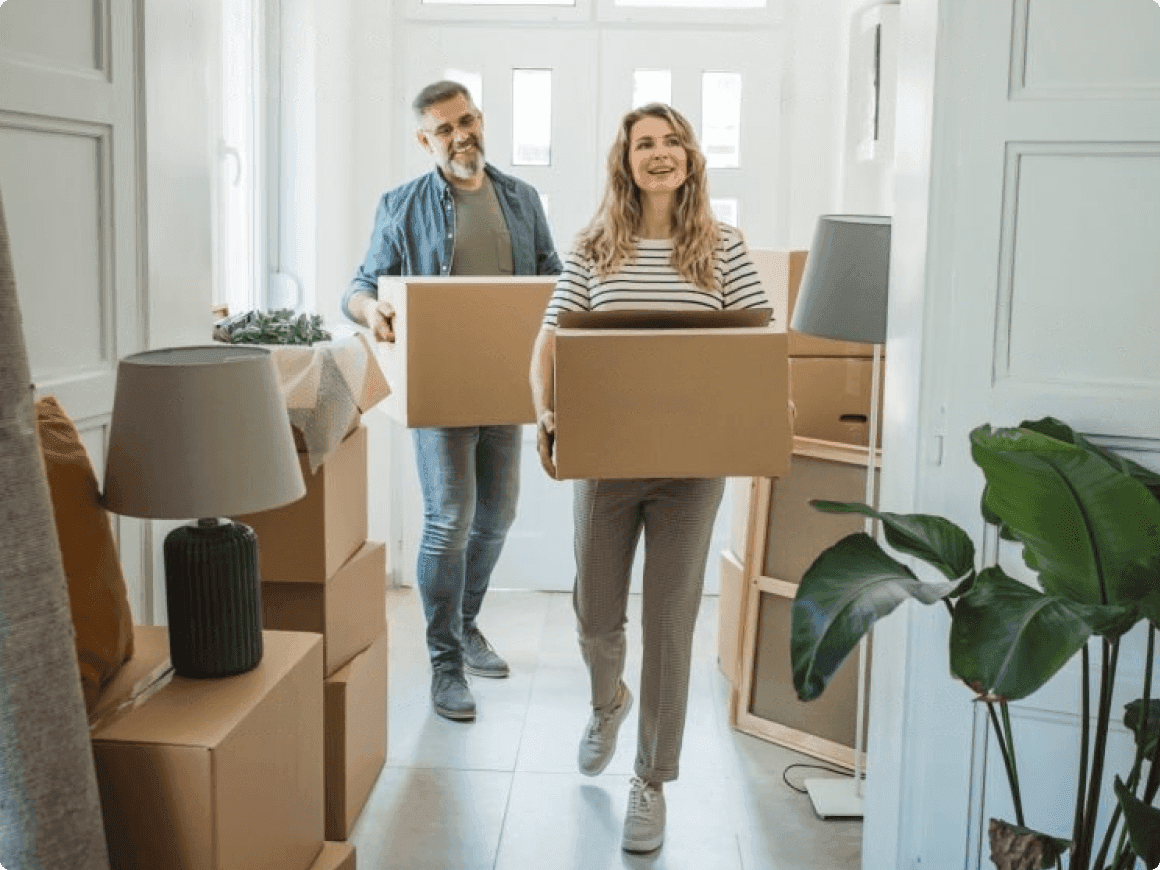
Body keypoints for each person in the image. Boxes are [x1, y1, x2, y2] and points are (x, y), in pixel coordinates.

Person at [529, 103, 770, 853]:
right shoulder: (595, 246)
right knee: (597, 612)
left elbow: (758, 346)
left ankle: (651, 780)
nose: (660, 154)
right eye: (644, 145)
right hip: (606, 464)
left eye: (672, 142)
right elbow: (549, 342)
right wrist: (545, 415)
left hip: (691, 472)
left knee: (669, 626)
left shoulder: (723, 248)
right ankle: (608, 703)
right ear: (625, 162)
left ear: (692, 158)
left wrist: (769, 415)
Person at [344, 80, 562, 722]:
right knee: (450, 518)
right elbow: (358, 284)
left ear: (480, 118)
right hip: (439, 387)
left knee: (498, 512)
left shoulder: (520, 199)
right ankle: (444, 663)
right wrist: (370, 308)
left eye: (466, 120)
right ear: (424, 140)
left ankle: (466, 626)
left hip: (505, 381)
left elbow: (552, 273)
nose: (460, 135)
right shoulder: (401, 203)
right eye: (444, 128)